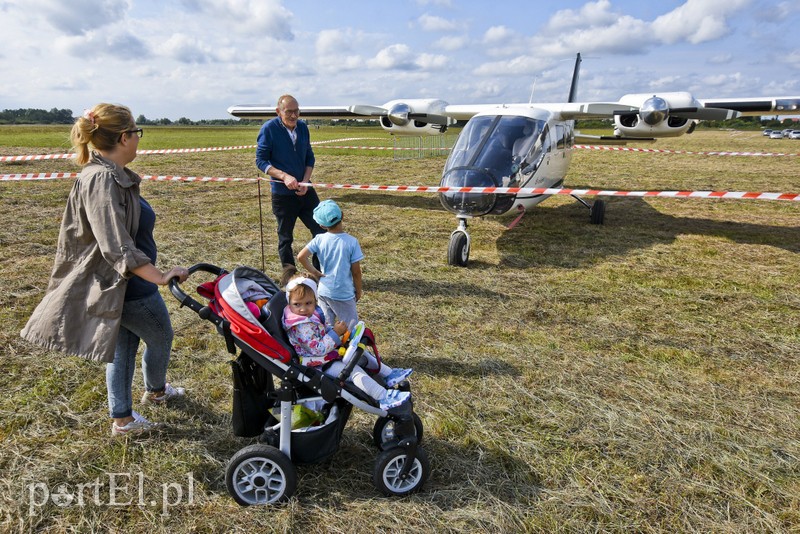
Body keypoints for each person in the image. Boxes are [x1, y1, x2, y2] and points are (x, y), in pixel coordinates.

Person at [20, 103, 189, 437]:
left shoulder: (110, 174)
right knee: (161, 335)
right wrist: (159, 275)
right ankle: (155, 392)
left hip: (120, 282)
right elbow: (115, 242)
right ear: (125, 137)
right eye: (137, 133)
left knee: (124, 345)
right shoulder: (101, 180)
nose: (138, 141)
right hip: (124, 283)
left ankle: (124, 417)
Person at [281, 273, 413, 410]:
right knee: (354, 371)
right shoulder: (300, 326)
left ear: (315, 300)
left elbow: (322, 329)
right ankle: (383, 397)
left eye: (308, 303)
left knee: (360, 352)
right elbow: (317, 348)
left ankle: (388, 374)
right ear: (289, 303)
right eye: (297, 304)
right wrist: (335, 333)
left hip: (327, 355)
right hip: (318, 364)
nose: (303, 309)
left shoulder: (308, 316)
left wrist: (337, 331)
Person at [255, 94, 323, 269]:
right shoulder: (269, 129)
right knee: (285, 237)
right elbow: (261, 161)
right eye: (289, 112)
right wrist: (284, 176)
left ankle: (319, 272)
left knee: (321, 231)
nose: (294, 116)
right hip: (283, 195)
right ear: (278, 111)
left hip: (306, 191)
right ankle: (289, 274)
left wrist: (306, 181)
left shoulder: (302, 127)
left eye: (297, 111)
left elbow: (309, 157)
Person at [297, 199, 363, 330]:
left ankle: (329, 347)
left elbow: (301, 257)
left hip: (323, 290)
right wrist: (358, 290)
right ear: (342, 215)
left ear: (321, 225)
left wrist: (315, 272)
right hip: (343, 293)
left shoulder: (319, 239)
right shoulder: (352, 242)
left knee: (325, 326)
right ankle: (350, 349)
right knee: (351, 328)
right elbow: (356, 272)